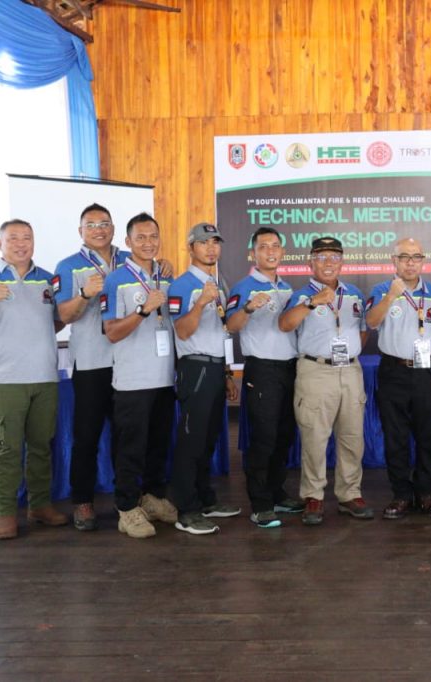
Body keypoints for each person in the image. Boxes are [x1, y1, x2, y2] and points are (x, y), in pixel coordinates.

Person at [54, 203, 174, 531]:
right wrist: (84, 294)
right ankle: (83, 500)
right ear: (80, 231)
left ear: (115, 229)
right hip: (93, 362)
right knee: (88, 435)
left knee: (131, 436)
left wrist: (163, 266)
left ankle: (137, 499)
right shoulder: (69, 266)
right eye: (91, 225)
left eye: (104, 223)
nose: (99, 229)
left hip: (133, 364)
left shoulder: (129, 260)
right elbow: (63, 316)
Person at [0, 220, 68, 540]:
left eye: (27, 238)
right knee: (6, 449)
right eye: (13, 238)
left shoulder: (48, 279)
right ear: (0, 244)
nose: (21, 244)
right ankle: (6, 513)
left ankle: (40, 506)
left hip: (45, 377)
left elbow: (58, 321)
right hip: (6, 380)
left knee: (41, 446)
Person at [279, 237, 372, 526]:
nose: (328, 262)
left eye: (334, 257)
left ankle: (349, 494)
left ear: (342, 262)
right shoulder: (300, 295)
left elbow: (364, 330)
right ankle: (313, 495)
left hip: (350, 371)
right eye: (321, 257)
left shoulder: (354, 293)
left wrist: (350, 353)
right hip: (316, 371)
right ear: (311, 262)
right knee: (315, 437)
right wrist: (312, 302)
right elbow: (285, 324)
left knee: (352, 437)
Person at [101, 213, 178, 539]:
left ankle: (152, 498)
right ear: (128, 242)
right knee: (130, 449)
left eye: (153, 236)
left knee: (158, 446)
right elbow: (111, 332)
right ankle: (127, 508)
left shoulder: (166, 276)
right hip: (133, 381)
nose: (148, 243)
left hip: (165, 378)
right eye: (141, 237)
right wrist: (143, 310)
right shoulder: (116, 280)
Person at [366, 237, 431, 519]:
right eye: (404, 257)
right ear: (394, 261)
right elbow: (371, 322)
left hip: (427, 370)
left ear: (423, 261)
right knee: (395, 436)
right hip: (394, 370)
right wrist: (391, 296)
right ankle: (401, 494)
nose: (411, 263)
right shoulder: (381, 289)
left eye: (416, 257)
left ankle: (425, 493)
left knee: (428, 434)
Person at [226, 227, 303, 528]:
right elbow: (231, 325)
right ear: (253, 254)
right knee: (263, 438)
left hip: (290, 368)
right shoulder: (243, 287)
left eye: (275, 246)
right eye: (263, 246)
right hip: (262, 370)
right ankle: (260, 505)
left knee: (284, 435)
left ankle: (277, 493)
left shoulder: (287, 288)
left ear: (282, 252)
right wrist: (248, 308)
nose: (270, 251)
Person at [168, 222, 242, 535]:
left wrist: (226, 373)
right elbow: (182, 331)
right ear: (191, 248)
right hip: (195, 366)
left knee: (209, 439)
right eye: (204, 242)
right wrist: (200, 302)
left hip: (215, 367)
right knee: (192, 441)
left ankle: (205, 500)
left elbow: (223, 331)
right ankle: (186, 511)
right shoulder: (182, 285)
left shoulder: (218, 282)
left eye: (215, 242)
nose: (211, 248)